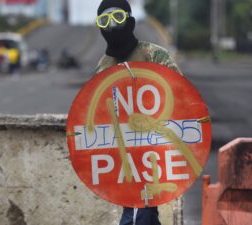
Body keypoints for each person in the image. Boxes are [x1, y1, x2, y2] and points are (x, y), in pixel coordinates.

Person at [95, 0, 182, 225]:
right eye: (105, 21)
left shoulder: (154, 55)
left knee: (140, 208)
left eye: (118, 18)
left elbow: (181, 97)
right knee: (141, 210)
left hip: (155, 147)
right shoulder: (104, 67)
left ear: (130, 21)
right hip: (121, 154)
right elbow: (95, 113)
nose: (112, 26)